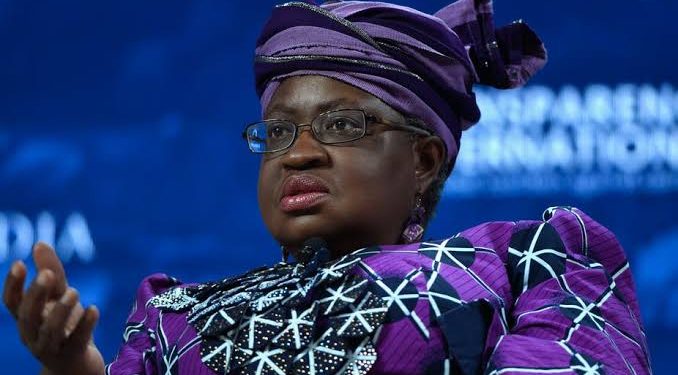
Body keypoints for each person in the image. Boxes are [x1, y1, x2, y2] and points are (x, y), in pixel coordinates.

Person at [3, 0, 651, 374]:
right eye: (278, 134)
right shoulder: (174, 317)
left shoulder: (529, 262)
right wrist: (76, 367)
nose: (299, 155)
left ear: (424, 158)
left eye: (341, 124)